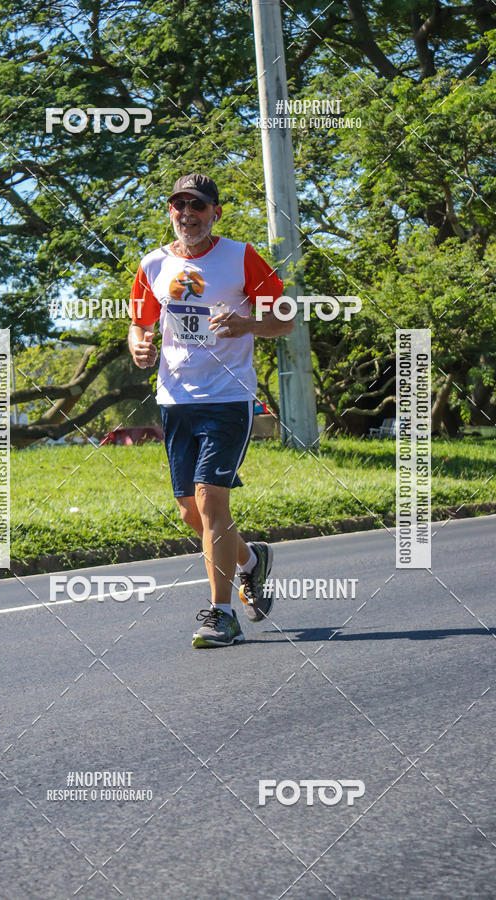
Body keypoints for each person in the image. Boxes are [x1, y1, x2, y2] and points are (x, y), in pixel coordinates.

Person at [128, 173, 293, 648]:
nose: (187, 214)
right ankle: (250, 561)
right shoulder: (153, 264)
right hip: (175, 400)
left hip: (228, 397)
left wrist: (247, 323)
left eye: (197, 206)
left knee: (210, 500)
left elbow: (285, 319)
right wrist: (139, 345)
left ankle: (222, 614)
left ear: (215, 212)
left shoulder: (240, 257)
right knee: (189, 513)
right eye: (179, 205)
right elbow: (139, 323)